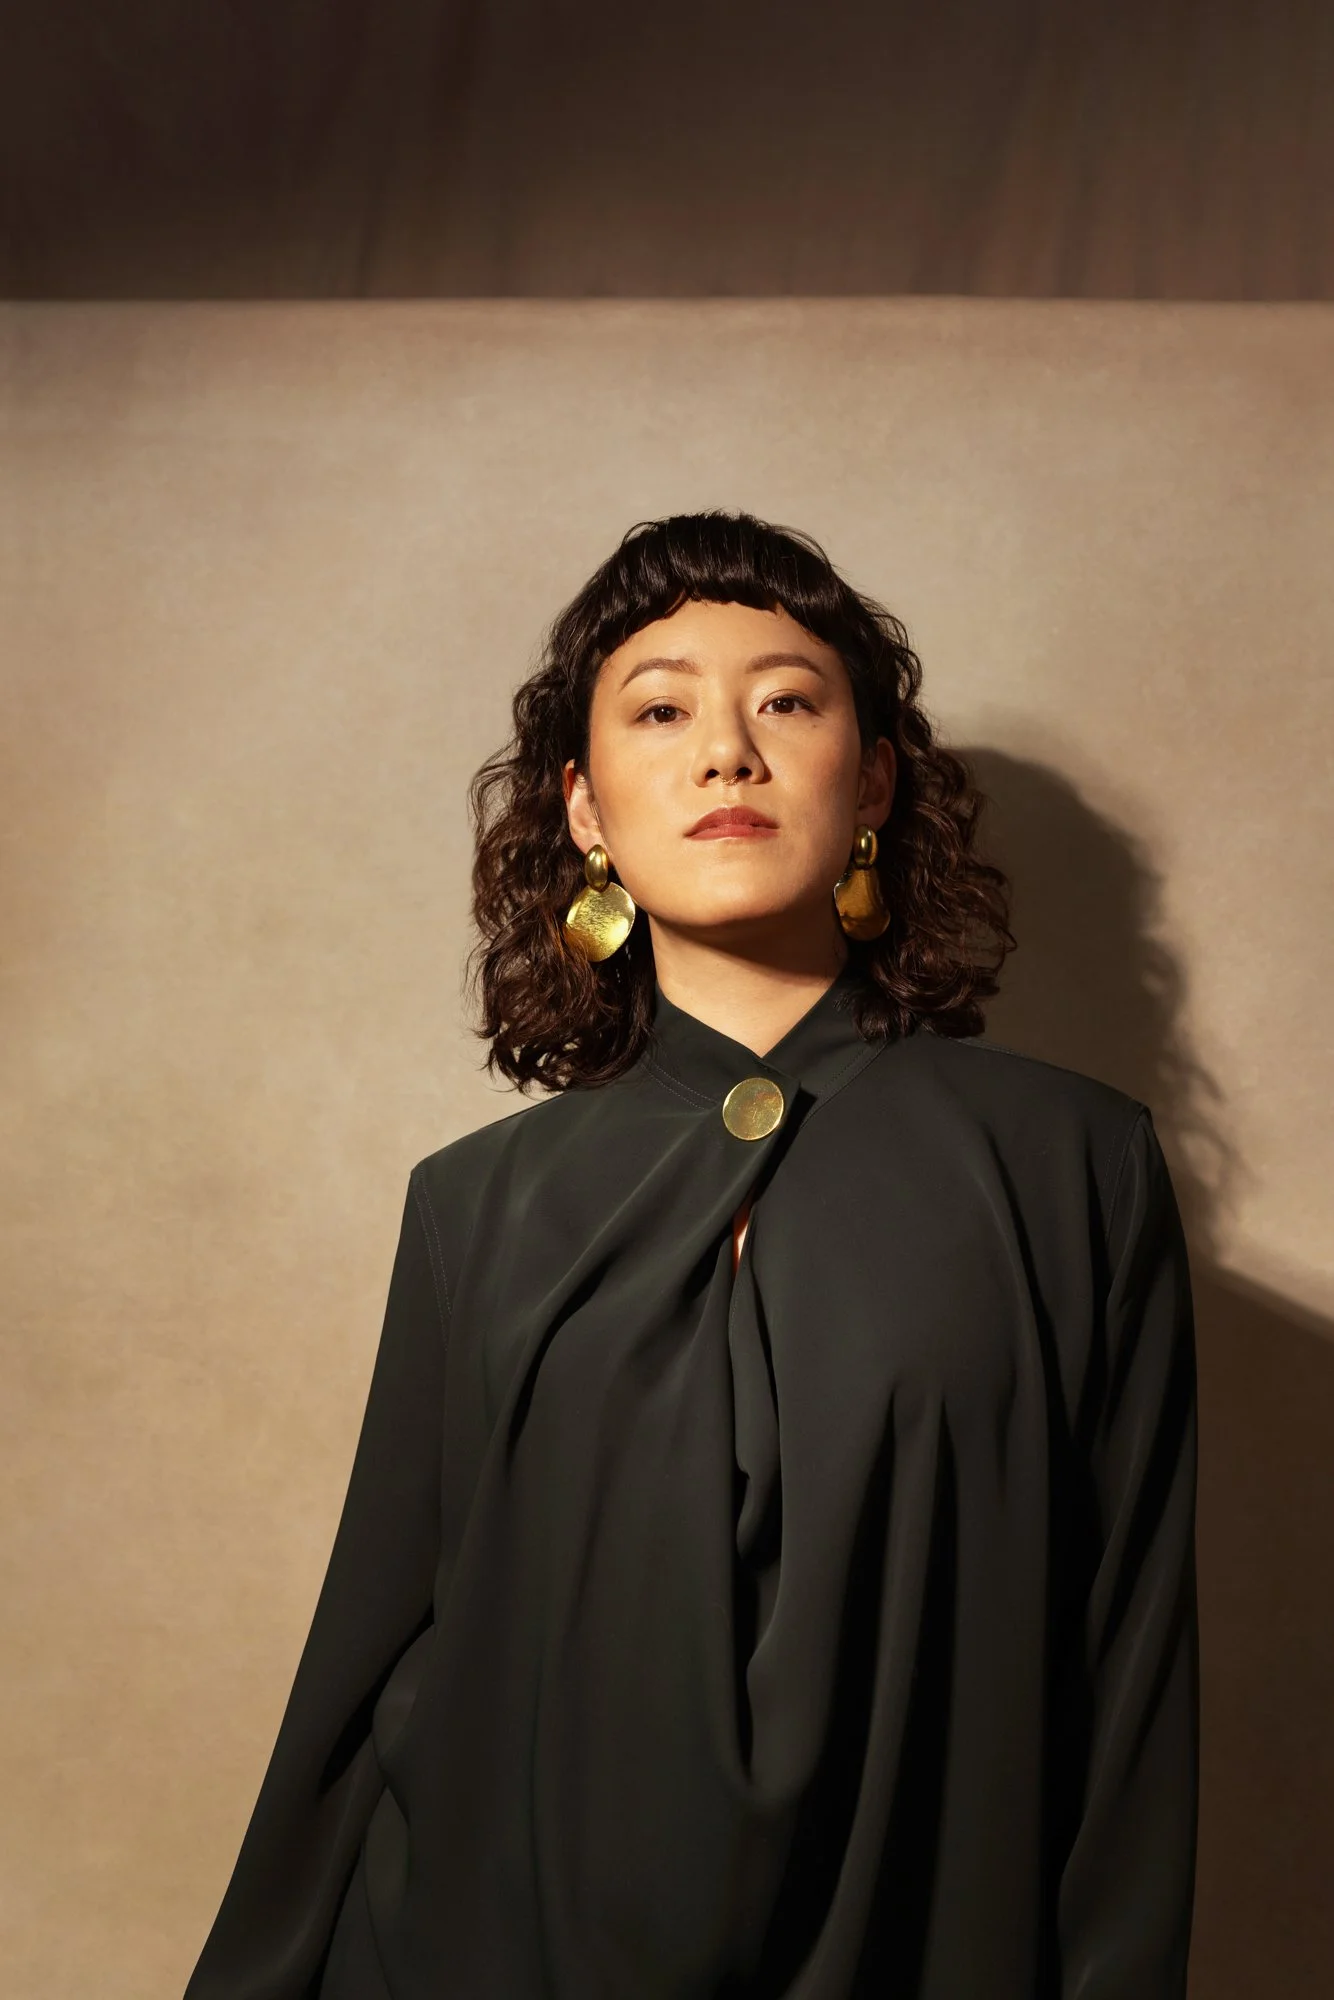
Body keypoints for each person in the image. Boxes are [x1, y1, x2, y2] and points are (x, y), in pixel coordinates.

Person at [184, 510, 1199, 1999]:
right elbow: (369, 1662)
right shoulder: (475, 1204)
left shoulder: (1070, 1166)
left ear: (873, 779)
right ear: (587, 811)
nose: (726, 751)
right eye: (661, 710)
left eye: (786, 701)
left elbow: (1128, 1692)